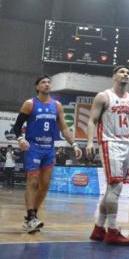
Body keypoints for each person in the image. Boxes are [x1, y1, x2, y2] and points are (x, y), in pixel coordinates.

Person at [85, 66, 129, 246]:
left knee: (112, 189)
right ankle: (112, 231)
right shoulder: (103, 97)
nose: (125, 74)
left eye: (128, 73)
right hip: (110, 143)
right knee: (116, 186)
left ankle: (99, 228)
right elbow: (92, 120)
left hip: (126, 145)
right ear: (114, 76)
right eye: (122, 72)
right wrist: (90, 142)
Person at [12, 75, 81, 233]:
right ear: (37, 87)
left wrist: (74, 144)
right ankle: (31, 217)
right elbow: (16, 127)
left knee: (45, 185)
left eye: (49, 82)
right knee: (32, 181)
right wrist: (20, 139)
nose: (47, 84)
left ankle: (32, 216)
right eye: (43, 82)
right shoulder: (30, 104)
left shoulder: (57, 105)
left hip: (49, 149)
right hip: (33, 148)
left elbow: (64, 128)